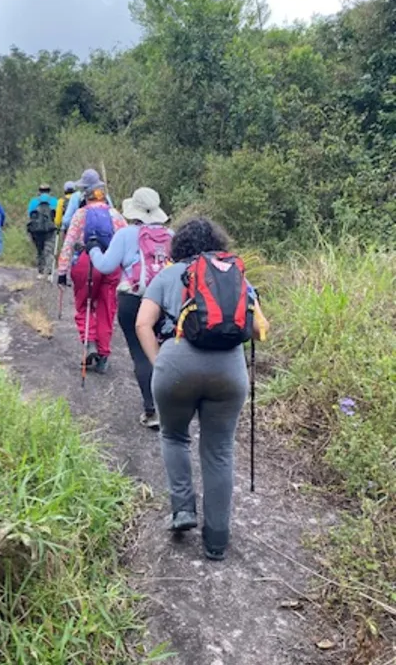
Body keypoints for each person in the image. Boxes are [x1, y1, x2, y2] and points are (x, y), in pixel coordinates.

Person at [135, 217, 269, 561]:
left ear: (178, 245)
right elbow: (258, 329)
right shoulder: (236, 276)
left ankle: (183, 511)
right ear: (217, 243)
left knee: (174, 436)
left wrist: (158, 362)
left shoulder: (168, 274)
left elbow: (142, 323)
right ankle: (217, 540)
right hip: (228, 369)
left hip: (176, 363)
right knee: (219, 450)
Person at [88, 187, 173, 427]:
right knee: (166, 352)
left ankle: (152, 410)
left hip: (134, 300)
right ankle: (171, 408)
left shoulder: (126, 235)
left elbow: (105, 266)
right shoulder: (171, 235)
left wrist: (93, 248)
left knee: (141, 353)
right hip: (166, 302)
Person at [57, 170, 126, 373]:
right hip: (111, 263)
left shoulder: (80, 214)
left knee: (84, 306)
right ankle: (104, 355)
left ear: (84, 194)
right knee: (107, 309)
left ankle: (90, 343)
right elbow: (127, 238)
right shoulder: (115, 214)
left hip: (86, 264)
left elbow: (69, 243)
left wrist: (62, 270)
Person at [27, 184, 59, 279]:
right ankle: (49, 273)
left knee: (39, 251)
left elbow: (30, 215)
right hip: (50, 229)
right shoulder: (54, 201)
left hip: (37, 231)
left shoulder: (34, 202)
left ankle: (40, 272)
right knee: (49, 250)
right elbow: (58, 216)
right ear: (49, 191)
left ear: (39, 191)